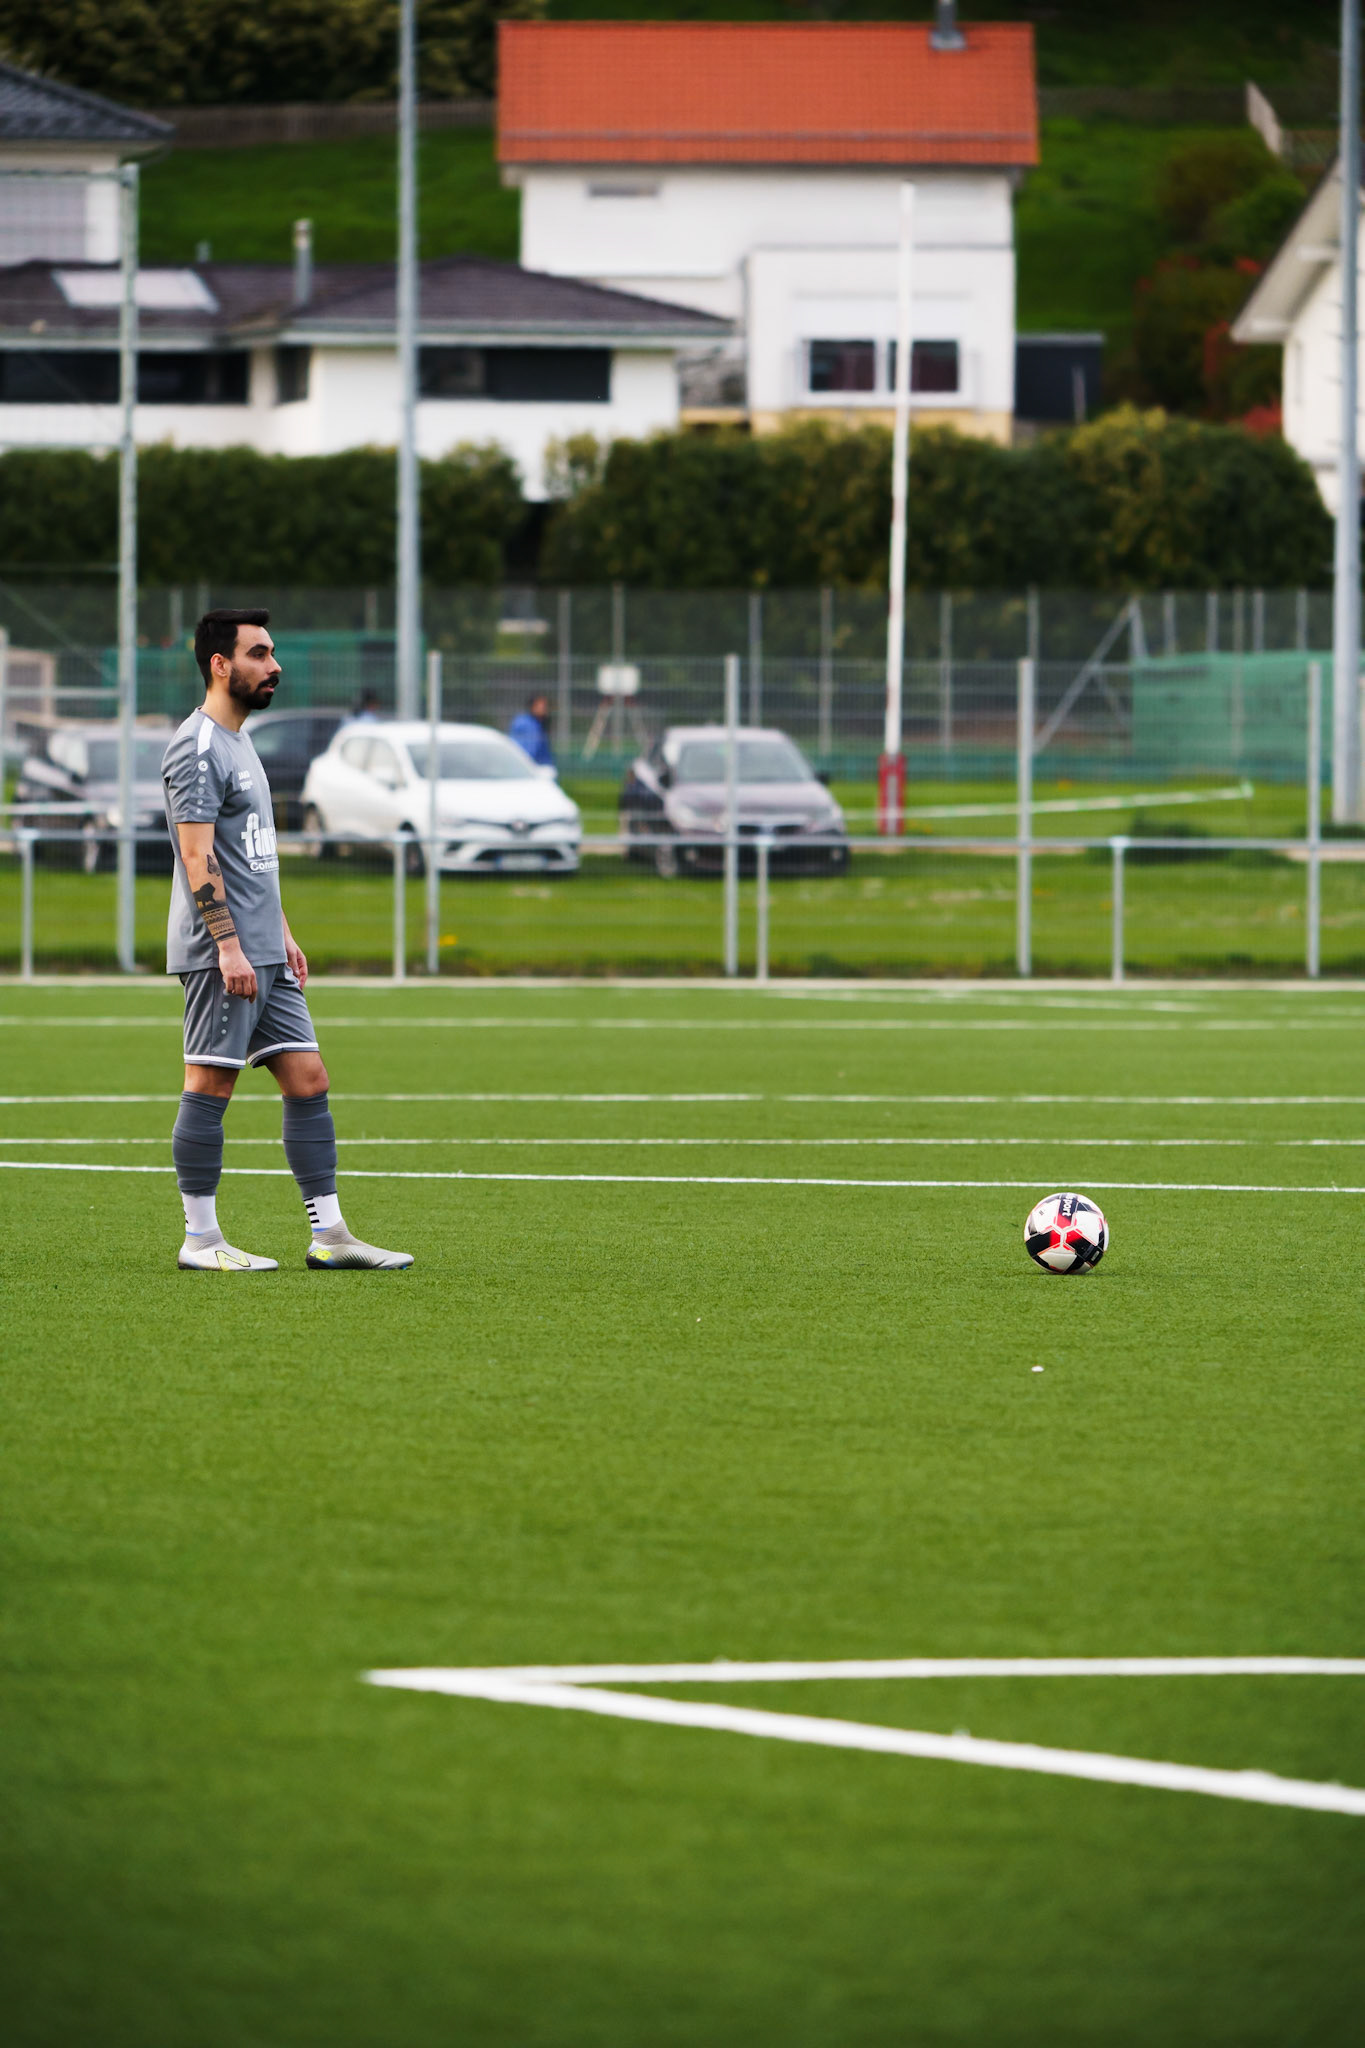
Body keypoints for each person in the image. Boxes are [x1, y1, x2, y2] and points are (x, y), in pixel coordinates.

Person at [161, 608, 412, 1272]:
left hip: (265, 948)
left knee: (308, 1079)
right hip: (225, 953)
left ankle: (330, 1237)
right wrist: (230, 945)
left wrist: (282, 932)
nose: (275, 666)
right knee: (209, 1084)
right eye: (260, 653)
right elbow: (197, 858)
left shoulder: (241, 741)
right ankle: (201, 1241)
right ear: (220, 665)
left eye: (272, 654)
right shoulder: (198, 746)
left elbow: (251, 856)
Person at [508, 693, 555, 769]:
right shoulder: (524, 722)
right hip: (526, 764)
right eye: (540, 705)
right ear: (532, 706)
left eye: (545, 705)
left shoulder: (540, 723)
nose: (544, 708)